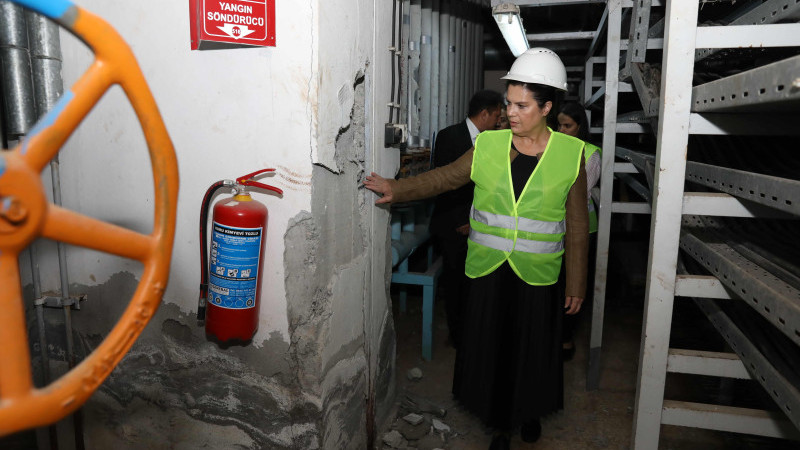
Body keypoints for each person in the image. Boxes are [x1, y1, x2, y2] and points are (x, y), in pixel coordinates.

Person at [365, 48, 588, 450]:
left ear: (547, 108)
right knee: (495, 350)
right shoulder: (488, 145)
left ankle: (530, 412)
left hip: (539, 274)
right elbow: (444, 178)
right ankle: (500, 425)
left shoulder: (572, 155)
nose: (510, 112)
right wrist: (396, 188)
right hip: (489, 270)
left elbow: (577, 225)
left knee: (533, 349)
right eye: (508, 103)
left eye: (522, 105)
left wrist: (576, 283)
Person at [431, 89, 504, 348]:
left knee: (476, 282)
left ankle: (475, 329)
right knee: (456, 283)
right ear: (484, 114)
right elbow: (444, 183)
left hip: (480, 224)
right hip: (454, 225)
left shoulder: (492, 141)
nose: (498, 122)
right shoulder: (449, 136)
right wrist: (463, 219)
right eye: (496, 116)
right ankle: (458, 336)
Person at [557, 102, 601, 361]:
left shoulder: (591, 153)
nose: (562, 130)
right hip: (554, 225)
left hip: (581, 228)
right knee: (557, 282)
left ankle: (566, 338)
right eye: (559, 125)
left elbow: (578, 194)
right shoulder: (554, 147)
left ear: (580, 127)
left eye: (568, 126)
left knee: (573, 285)